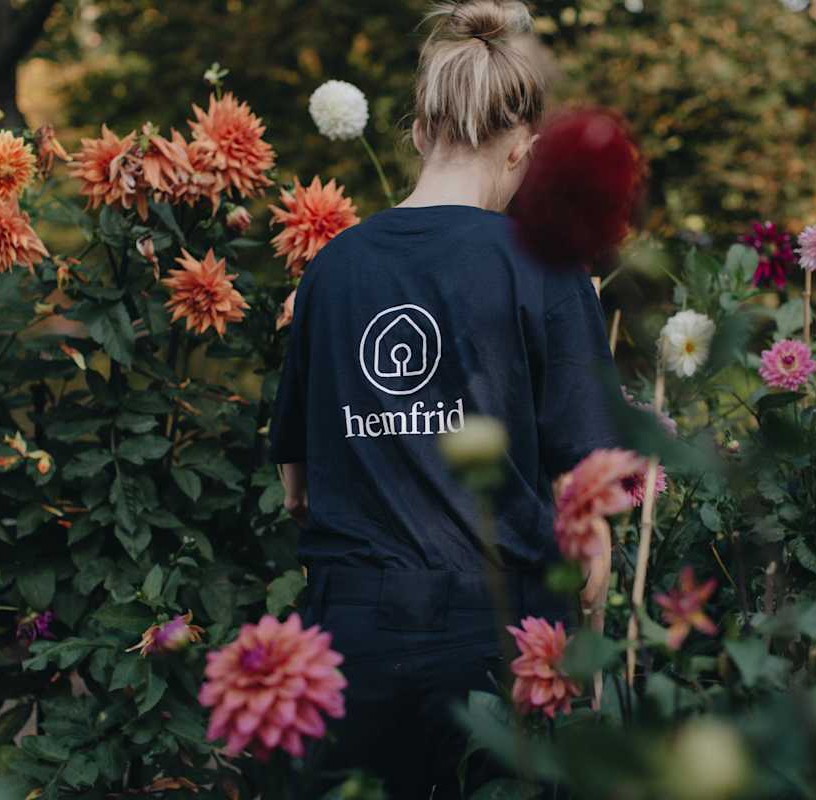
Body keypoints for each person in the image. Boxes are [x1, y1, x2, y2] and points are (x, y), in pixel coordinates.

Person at [269, 1, 621, 795]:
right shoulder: (546, 266)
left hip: (348, 643)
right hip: (500, 644)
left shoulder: (330, 271)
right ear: (521, 151)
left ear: (421, 134)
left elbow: (298, 488)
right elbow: (587, 529)